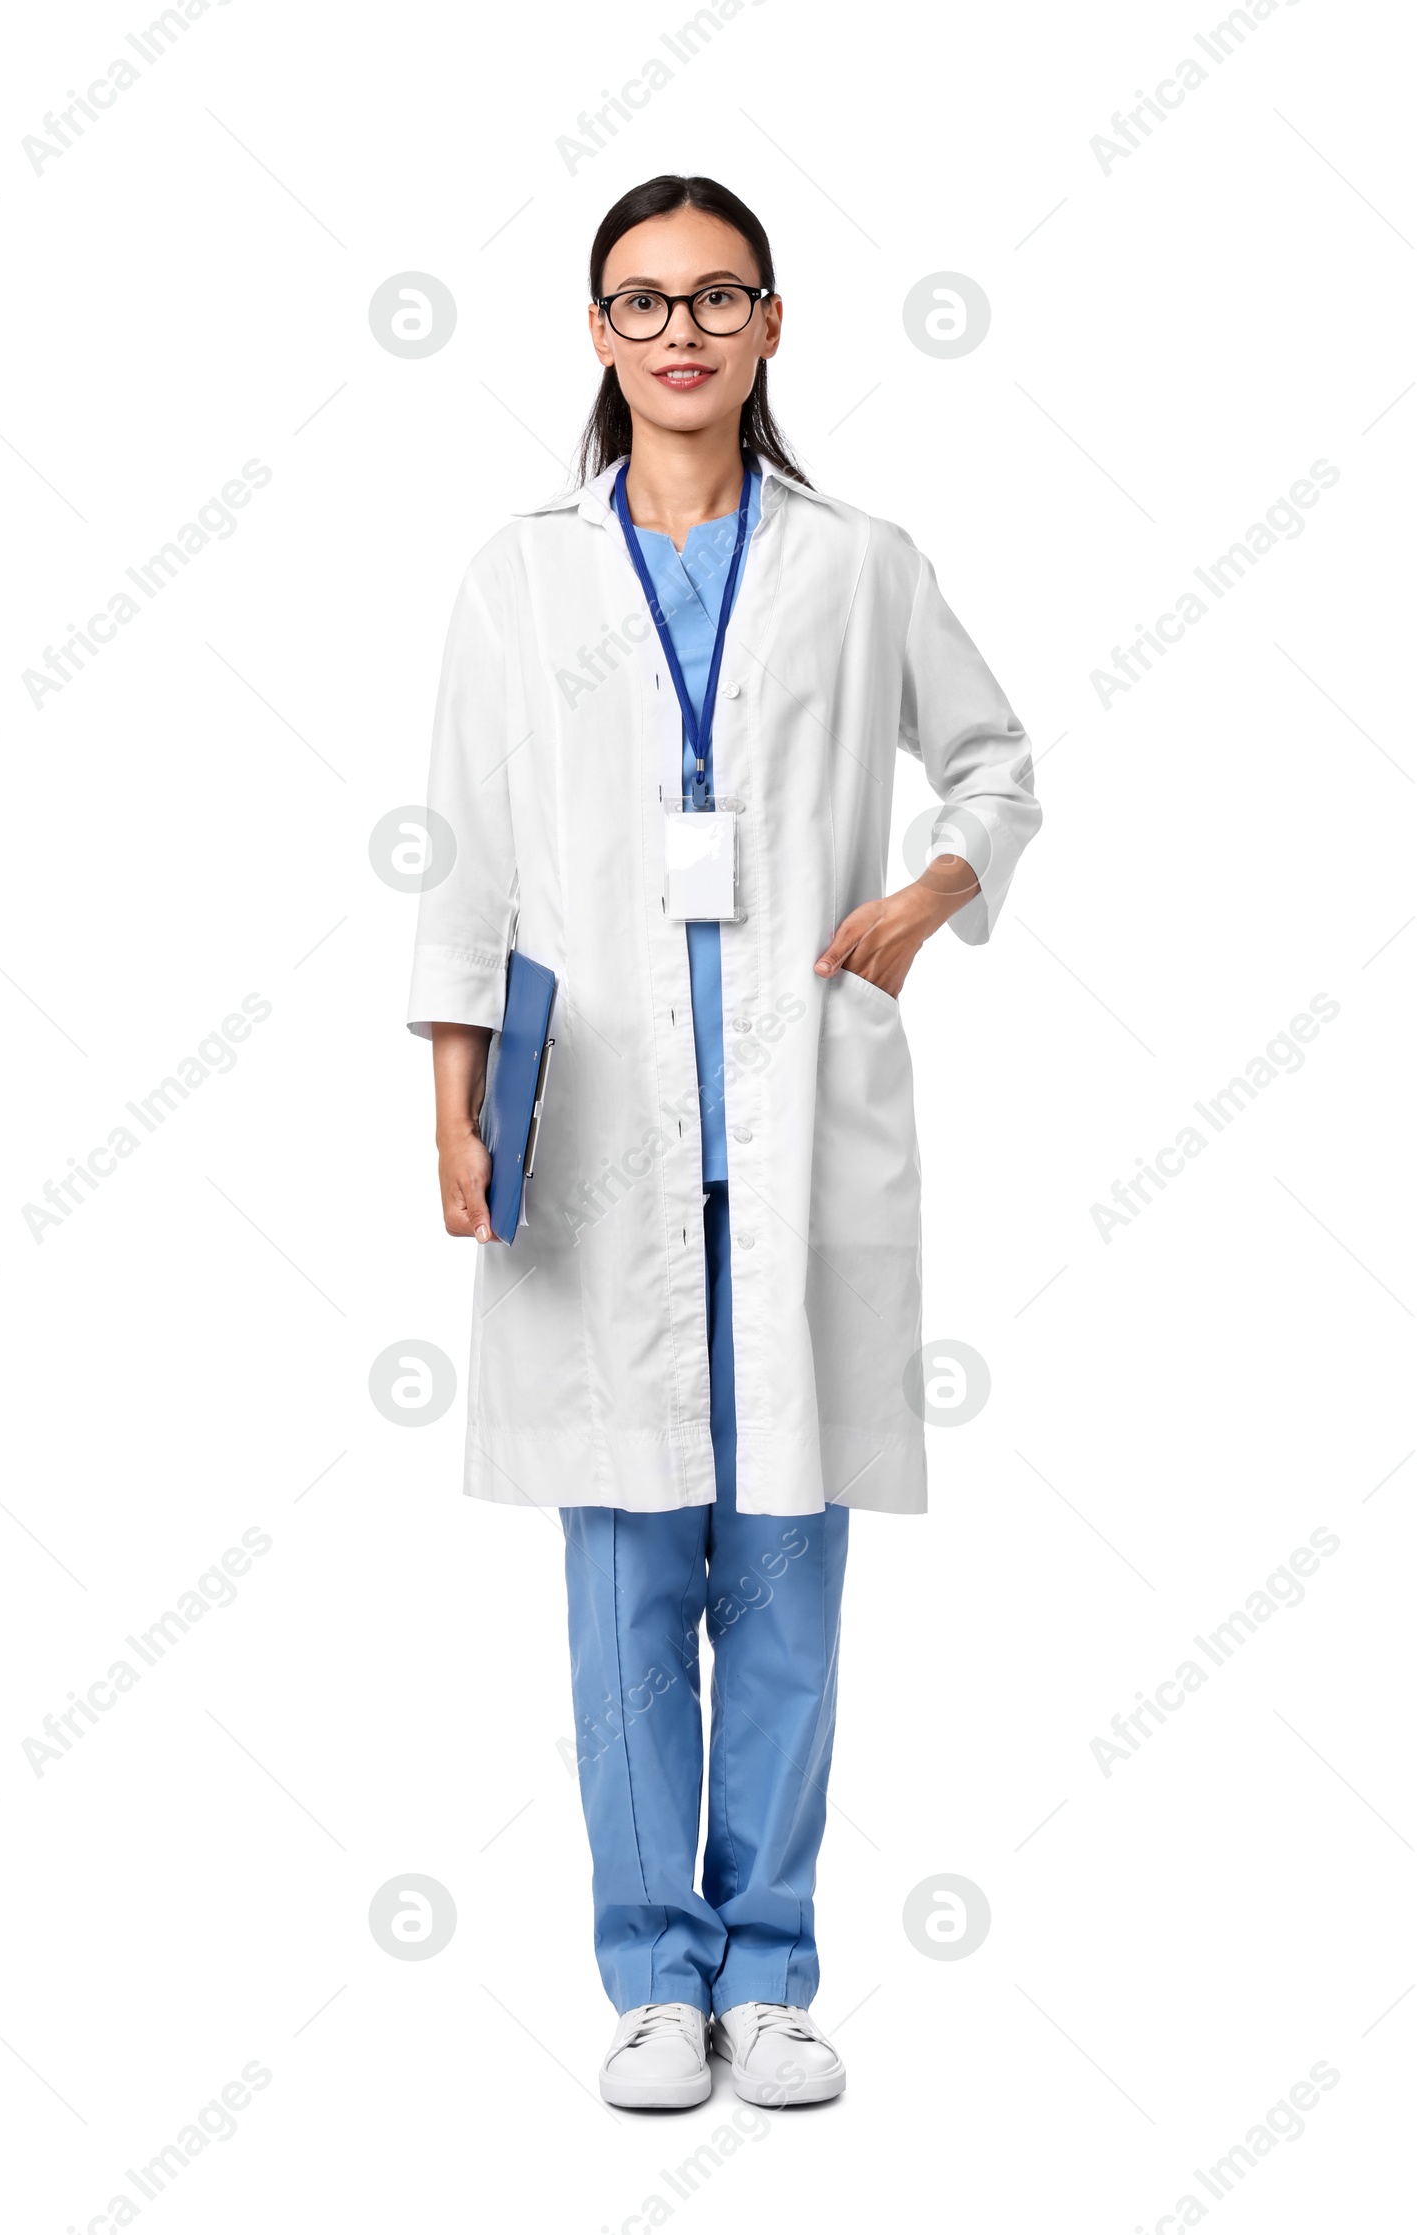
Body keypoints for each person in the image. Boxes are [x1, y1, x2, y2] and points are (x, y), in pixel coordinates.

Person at [407, 174, 1040, 2110]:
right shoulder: (520, 577)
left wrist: (924, 898)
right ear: (594, 333)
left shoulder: (859, 563)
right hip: (591, 1122)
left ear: (771, 325)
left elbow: (996, 762)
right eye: (639, 300)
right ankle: (644, 1977)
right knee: (621, 1573)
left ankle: (766, 1970)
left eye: (715, 297)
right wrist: (447, 1081)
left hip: (798, 1126)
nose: (677, 332)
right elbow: (465, 845)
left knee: (781, 1557)